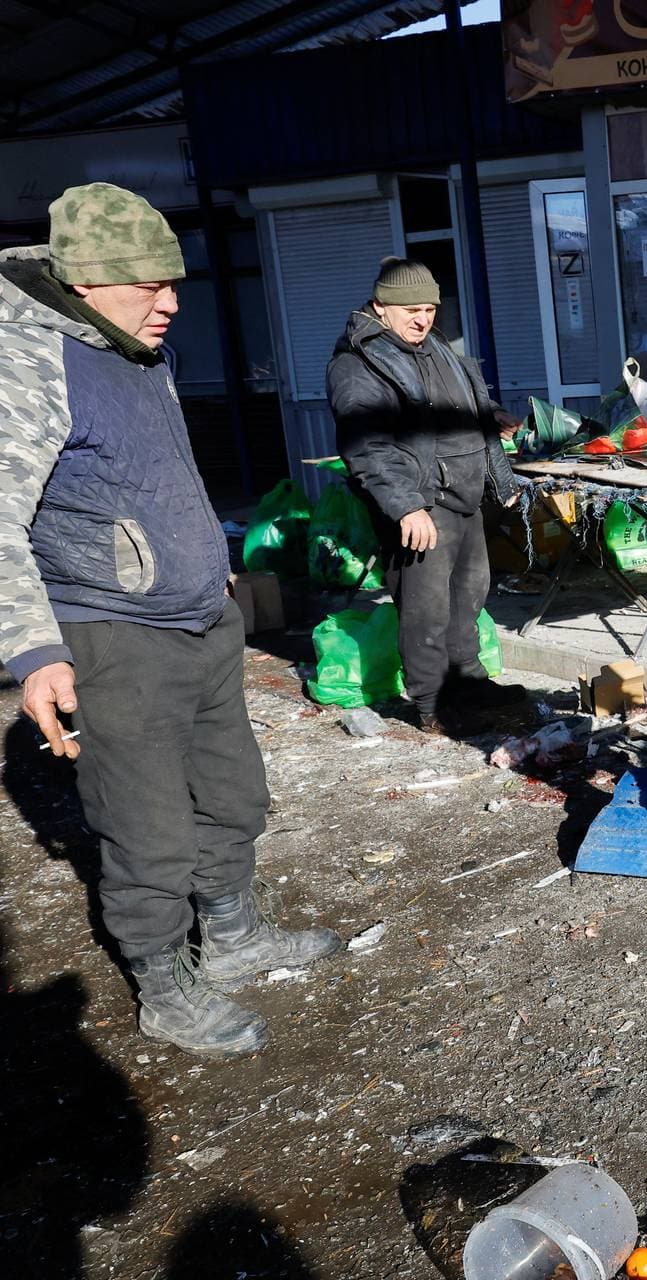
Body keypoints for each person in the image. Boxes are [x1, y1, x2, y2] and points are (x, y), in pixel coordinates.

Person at [0, 182, 342, 1058]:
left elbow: (153, 476)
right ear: (84, 281)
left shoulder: (139, 350)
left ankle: (231, 937)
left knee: (231, 795)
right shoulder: (29, 362)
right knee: (145, 825)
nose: (172, 302)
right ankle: (164, 985)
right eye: (149, 285)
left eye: (174, 281)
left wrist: (209, 564)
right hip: (110, 637)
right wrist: (33, 650)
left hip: (199, 621)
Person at [327, 258, 525, 735]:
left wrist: (492, 417)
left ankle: (470, 685)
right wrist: (406, 507)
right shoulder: (358, 365)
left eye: (430, 310)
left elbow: (457, 403)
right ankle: (433, 705)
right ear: (381, 307)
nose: (423, 319)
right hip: (421, 503)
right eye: (411, 310)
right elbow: (366, 446)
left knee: (469, 599)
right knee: (427, 610)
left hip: (466, 496)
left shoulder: (433, 345)